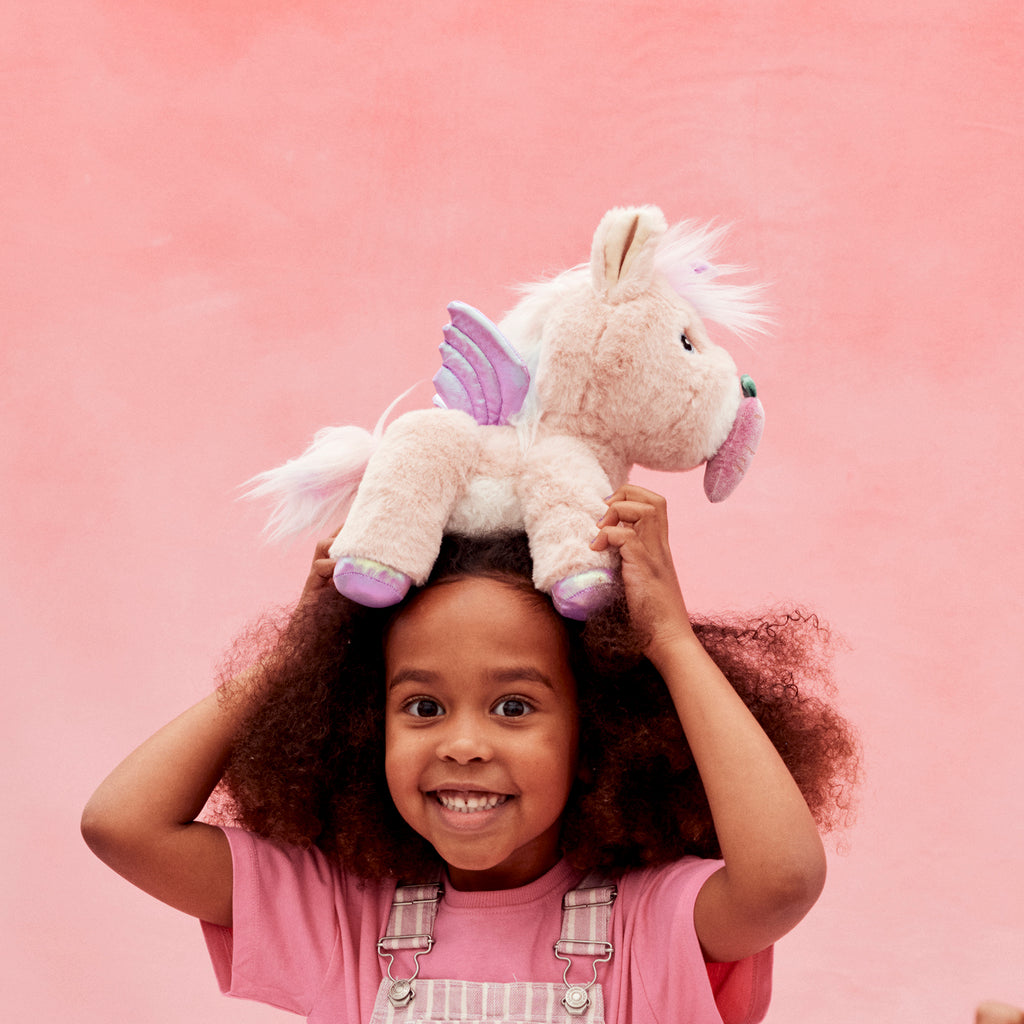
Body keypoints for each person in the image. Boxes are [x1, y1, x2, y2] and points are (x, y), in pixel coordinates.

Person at [82, 485, 859, 1024]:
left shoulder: (648, 925)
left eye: (514, 707)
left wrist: (667, 640)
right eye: (422, 706)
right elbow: (123, 825)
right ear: (358, 724)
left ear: (599, 733)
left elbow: (783, 880)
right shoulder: (343, 918)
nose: (462, 744)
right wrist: (299, 657)